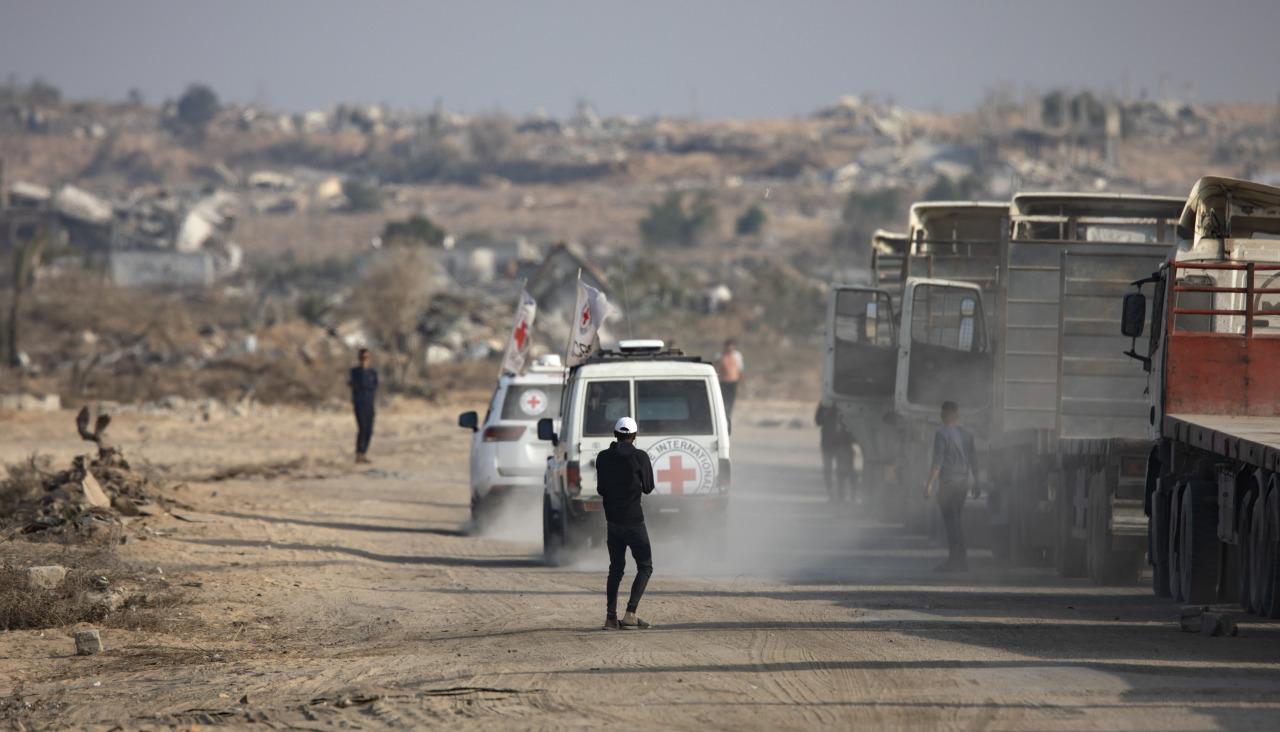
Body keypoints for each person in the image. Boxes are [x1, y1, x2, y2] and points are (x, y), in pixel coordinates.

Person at [595, 416, 655, 630]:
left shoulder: (602, 457)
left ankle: (611, 618)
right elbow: (648, 487)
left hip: (613, 522)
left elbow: (601, 489)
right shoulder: (640, 457)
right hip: (634, 521)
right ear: (634, 435)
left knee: (616, 569)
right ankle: (630, 613)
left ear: (614, 434)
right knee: (645, 566)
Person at [923, 401, 980, 572]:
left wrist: (929, 484)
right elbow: (974, 460)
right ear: (956, 415)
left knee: (951, 524)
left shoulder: (941, 433)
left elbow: (938, 461)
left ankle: (955, 562)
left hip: (948, 484)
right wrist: (977, 482)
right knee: (957, 522)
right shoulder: (967, 434)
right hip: (963, 484)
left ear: (942, 415)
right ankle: (960, 561)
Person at [815, 402, 856, 502]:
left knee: (842, 470)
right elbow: (818, 421)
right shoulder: (825, 404)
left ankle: (841, 494)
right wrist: (826, 413)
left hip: (842, 443)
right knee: (828, 470)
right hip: (828, 443)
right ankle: (831, 494)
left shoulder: (848, 404)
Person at [348, 348, 379, 464]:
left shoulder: (372, 373)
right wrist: (363, 384)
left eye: (366, 358)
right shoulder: (356, 371)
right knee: (362, 428)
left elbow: (375, 386)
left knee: (369, 429)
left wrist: (362, 385)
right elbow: (354, 383)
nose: (364, 360)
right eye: (362, 358)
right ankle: (359, 454)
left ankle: (364, 453)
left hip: (369, 402)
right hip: (359, 402)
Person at [713, 339, 744, 427]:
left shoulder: (737, 355)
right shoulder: (719, 355)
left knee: (731, 399)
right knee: (722, 399)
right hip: (722, 381)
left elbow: (740, 369)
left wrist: (742, 382)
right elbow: (714, 365)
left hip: (733, 381)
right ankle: (722, 415)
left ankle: (728, 415)